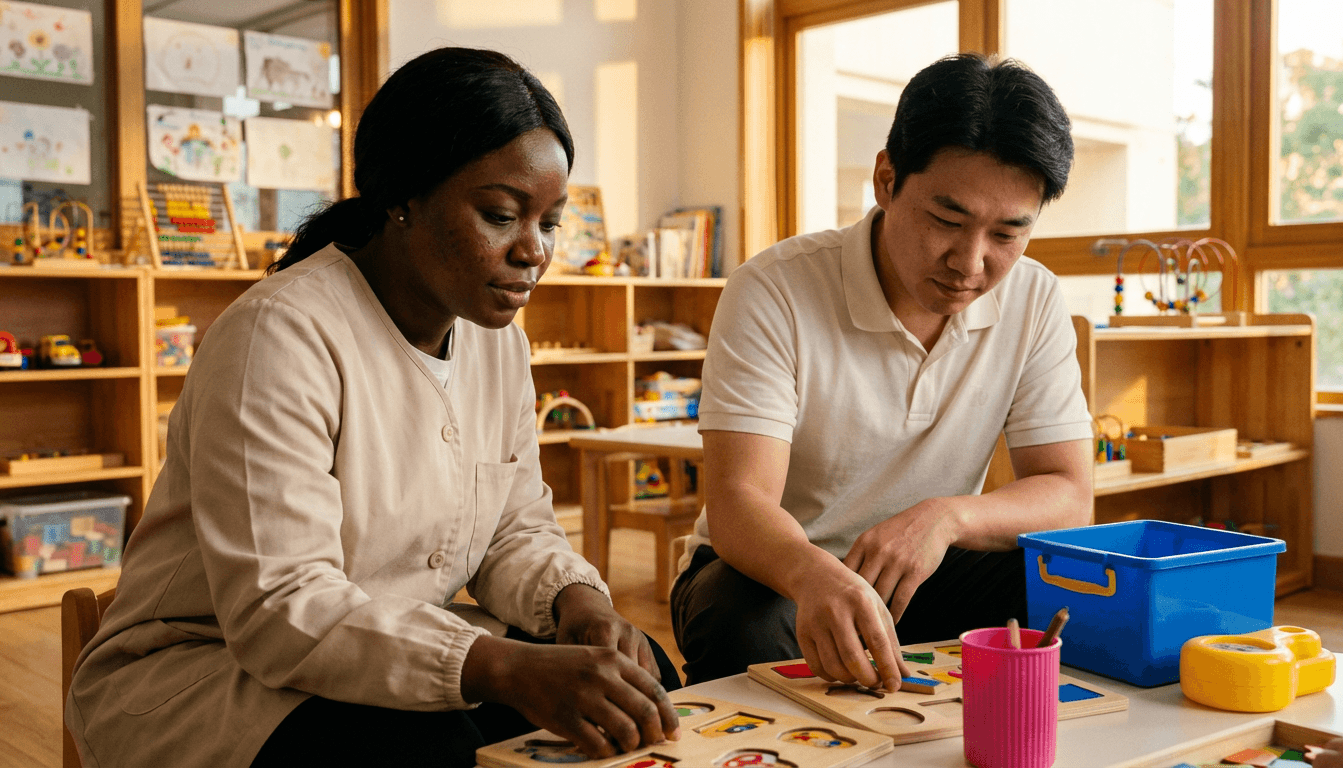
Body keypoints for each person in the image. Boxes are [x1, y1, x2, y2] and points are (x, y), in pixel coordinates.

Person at [66, 48, 680, 768]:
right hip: (208, 669)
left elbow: (514, 527)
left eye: (549, 222)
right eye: (500, 215)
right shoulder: (280, 335)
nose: (533, 252)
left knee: (641, 687)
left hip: (394, 647)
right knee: (430, 747)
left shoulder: (497, 344)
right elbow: (279, 610)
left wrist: (579, 603)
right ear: (404, 198)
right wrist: (503, 665)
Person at [671, 53, 1095, 689]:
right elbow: (738, 501)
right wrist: (817, 575)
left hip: (926, 569)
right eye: (947, 221)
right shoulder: (774, 289)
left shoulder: (1033, 299)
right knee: (748, 627)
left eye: (1007, 234)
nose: (970, 262)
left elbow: (1068, 491)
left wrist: (946, 518)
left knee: (1081, 592)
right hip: (779, 571)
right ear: (886, 179)